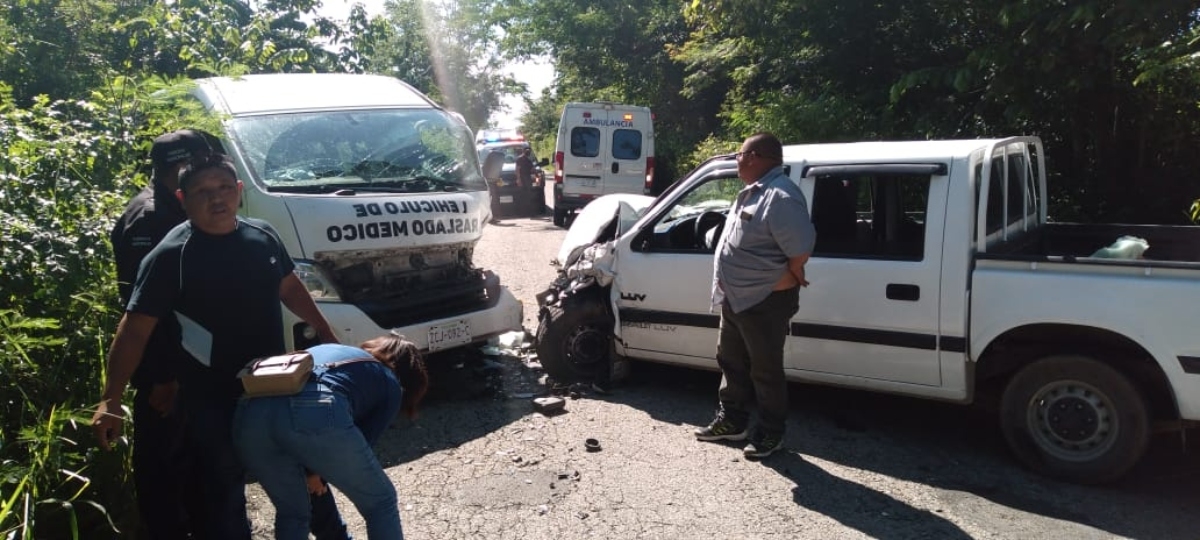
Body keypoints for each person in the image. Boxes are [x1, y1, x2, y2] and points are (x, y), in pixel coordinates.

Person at [91, 153, 343, 539]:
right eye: (203, 192)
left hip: (275, 386)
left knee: (307, 470)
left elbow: (289, 286)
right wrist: (111, 399)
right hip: (212, 397)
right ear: (182, 199)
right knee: (223, 492)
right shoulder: (171, 256)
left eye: (225, 187)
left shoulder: (262, 236)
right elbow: (135, 330)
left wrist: (326, 335)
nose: (217, 199)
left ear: (239, 191)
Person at [110, 129, 212, 539]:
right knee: (163, 469)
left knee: (190, 467)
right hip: (165, 373)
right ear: (183, 166)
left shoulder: (175, 204)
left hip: (189, 364)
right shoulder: (150, 218)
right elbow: (143, 311)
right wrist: (161, 376)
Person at [233, 334, 430, 540]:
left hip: (250, 413)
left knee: (294, 513)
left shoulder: (335, 352)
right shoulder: (390, 382)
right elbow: (358, 448)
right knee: (381, 502)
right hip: (311, 408)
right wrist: (313, 472)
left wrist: (312, 472)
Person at [695, 132, 816, 459]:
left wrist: (787, 273)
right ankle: (732, 421)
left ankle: (770, 433)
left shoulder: (780, 196)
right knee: (730, 360)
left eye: (740, 154)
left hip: (764, 301)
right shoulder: (754, 192)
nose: (737, 159)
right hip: (737, 297)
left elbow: (802, 247)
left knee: (764, 369)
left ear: (756, 157)